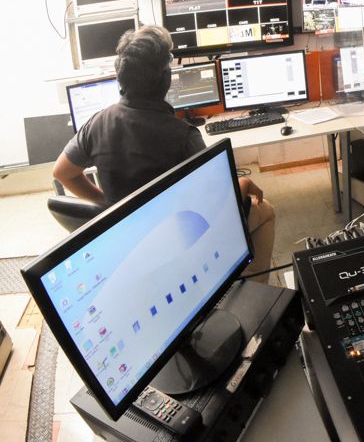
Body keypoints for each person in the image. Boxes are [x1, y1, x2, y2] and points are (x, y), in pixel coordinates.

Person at [53, 26, 276, 284]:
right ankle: (254, 294)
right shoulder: (183, 136)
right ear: (166, 79)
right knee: (266, 210)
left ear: (119, 75)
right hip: (181, 242)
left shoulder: (97, 123)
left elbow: (62, 173)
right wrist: (245, 183)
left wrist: (106, 203)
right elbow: (218, 199)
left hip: (129, 244)